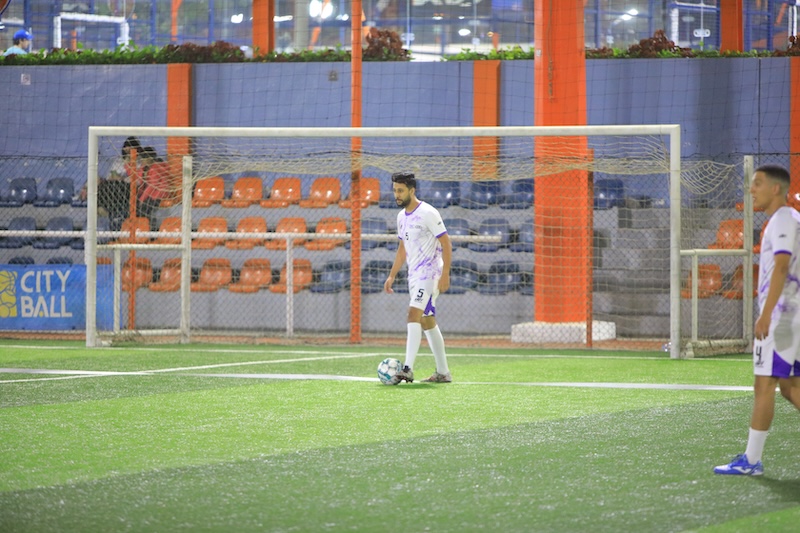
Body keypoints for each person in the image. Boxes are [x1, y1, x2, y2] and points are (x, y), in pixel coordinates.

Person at [714, 164, 800, 476]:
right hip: (791, 315)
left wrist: (765, 315)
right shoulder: (792, 218)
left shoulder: (783, 219)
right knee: (790, 387)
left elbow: (781, 267)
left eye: (758, 183)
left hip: (781, 318)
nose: (751, 189)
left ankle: (751, 461)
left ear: (776, 188)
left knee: (764, 383)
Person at [383, 172, 453, 384]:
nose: (397, 194)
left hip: (430, 274)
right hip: (414, 276)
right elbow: (402, 249)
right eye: (395, 190)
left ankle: (407, 369)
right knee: (426, 321)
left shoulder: (428, 213)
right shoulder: (401, 217)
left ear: (412, 190)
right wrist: (392, 275)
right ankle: (443, 372)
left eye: (401, 190)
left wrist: (445, 274)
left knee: (413, 314)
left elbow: (446, 243)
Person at [136, 146, 170, 229]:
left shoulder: (157, 168)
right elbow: (141, 184)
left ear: (151, 158)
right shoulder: (143, 169)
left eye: (144, 157)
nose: (142, 160)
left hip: (158, 195)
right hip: (148, 195)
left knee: (145, 207)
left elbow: (152, 186)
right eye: (141, 157)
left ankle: (148, 227)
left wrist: (141, 199)